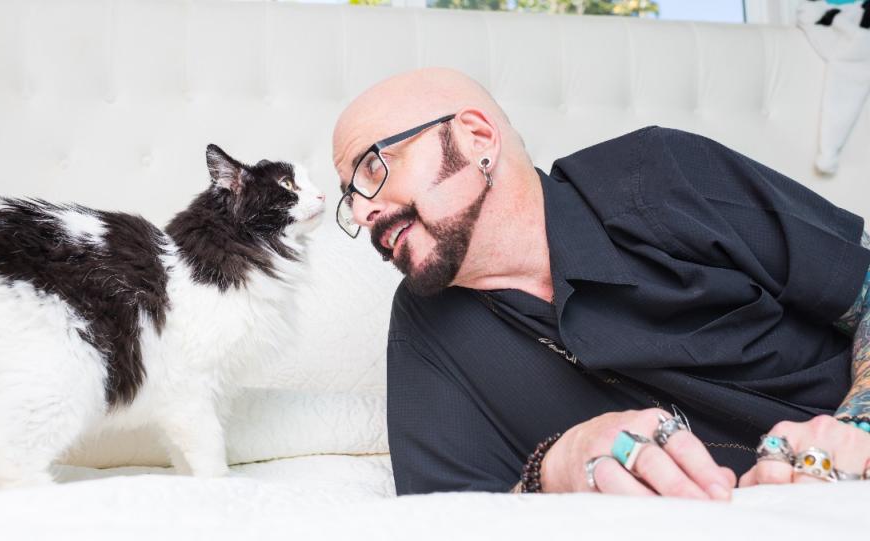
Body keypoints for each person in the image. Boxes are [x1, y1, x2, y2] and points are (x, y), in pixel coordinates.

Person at [331, 68, 870, 499]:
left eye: (374, 168)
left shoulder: (657, 174)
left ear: (476, 137)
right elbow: (452, 518)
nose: (361, 211)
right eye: (348, 197)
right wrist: (554, 469)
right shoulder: (423, 329)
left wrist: (855, 429)